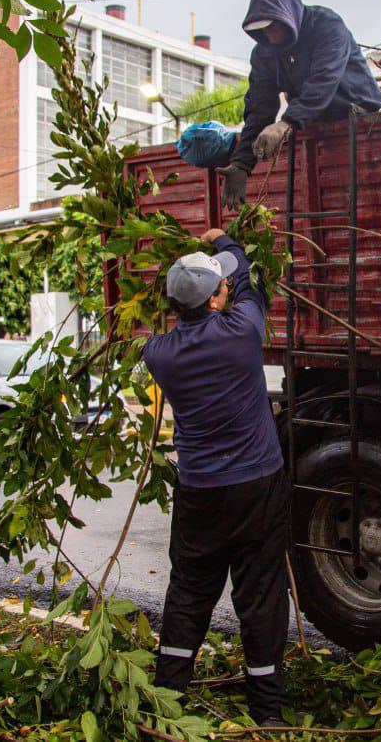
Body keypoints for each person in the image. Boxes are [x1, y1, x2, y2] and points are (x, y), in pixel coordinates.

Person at [143, 227, 293, 727]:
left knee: (188, 591)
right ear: (214, 301)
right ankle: (267, 712)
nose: (227, 288)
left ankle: (168, 702)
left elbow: (230, 289)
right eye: (219, 287)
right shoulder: (243, 331)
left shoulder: (159, 355)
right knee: (261, 594)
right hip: (257, 488)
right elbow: (247, 279)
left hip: (200, 492)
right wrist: (227, 240)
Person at [217, 0, 381, 209]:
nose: (269, 33)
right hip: (314, 123)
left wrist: (286, 122)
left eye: (273, 25)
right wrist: (241, 163)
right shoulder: (264, 53)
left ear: (287, 15)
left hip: (361, 114)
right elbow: (259, 108)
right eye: (262, 29)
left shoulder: (326, 25)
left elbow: (324, 80)